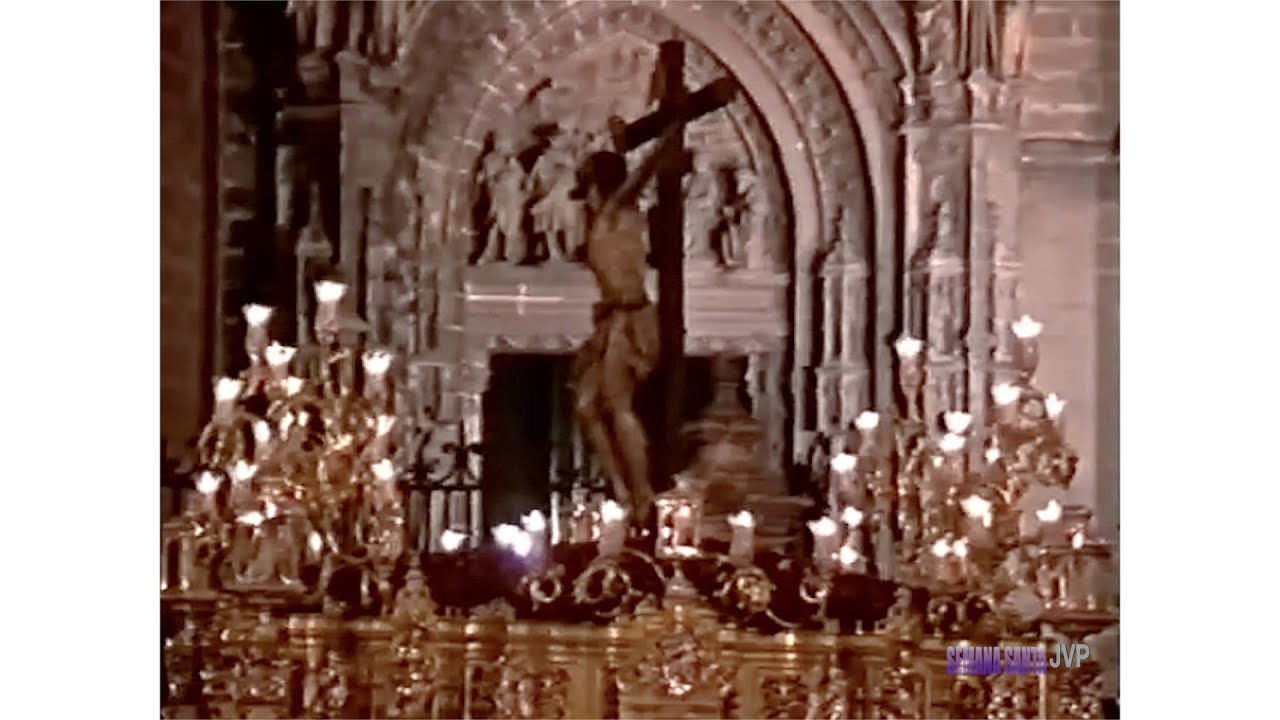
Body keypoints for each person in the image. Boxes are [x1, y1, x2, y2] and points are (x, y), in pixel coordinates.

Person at [571, 122, 683, 522]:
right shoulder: (601, 218)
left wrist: (667, 136)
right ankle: (621, 487)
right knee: (586, 405)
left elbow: (637, 181)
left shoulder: (619, 212)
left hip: (631, 317)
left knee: (618, 403)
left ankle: (642, 493)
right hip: (609, 319)